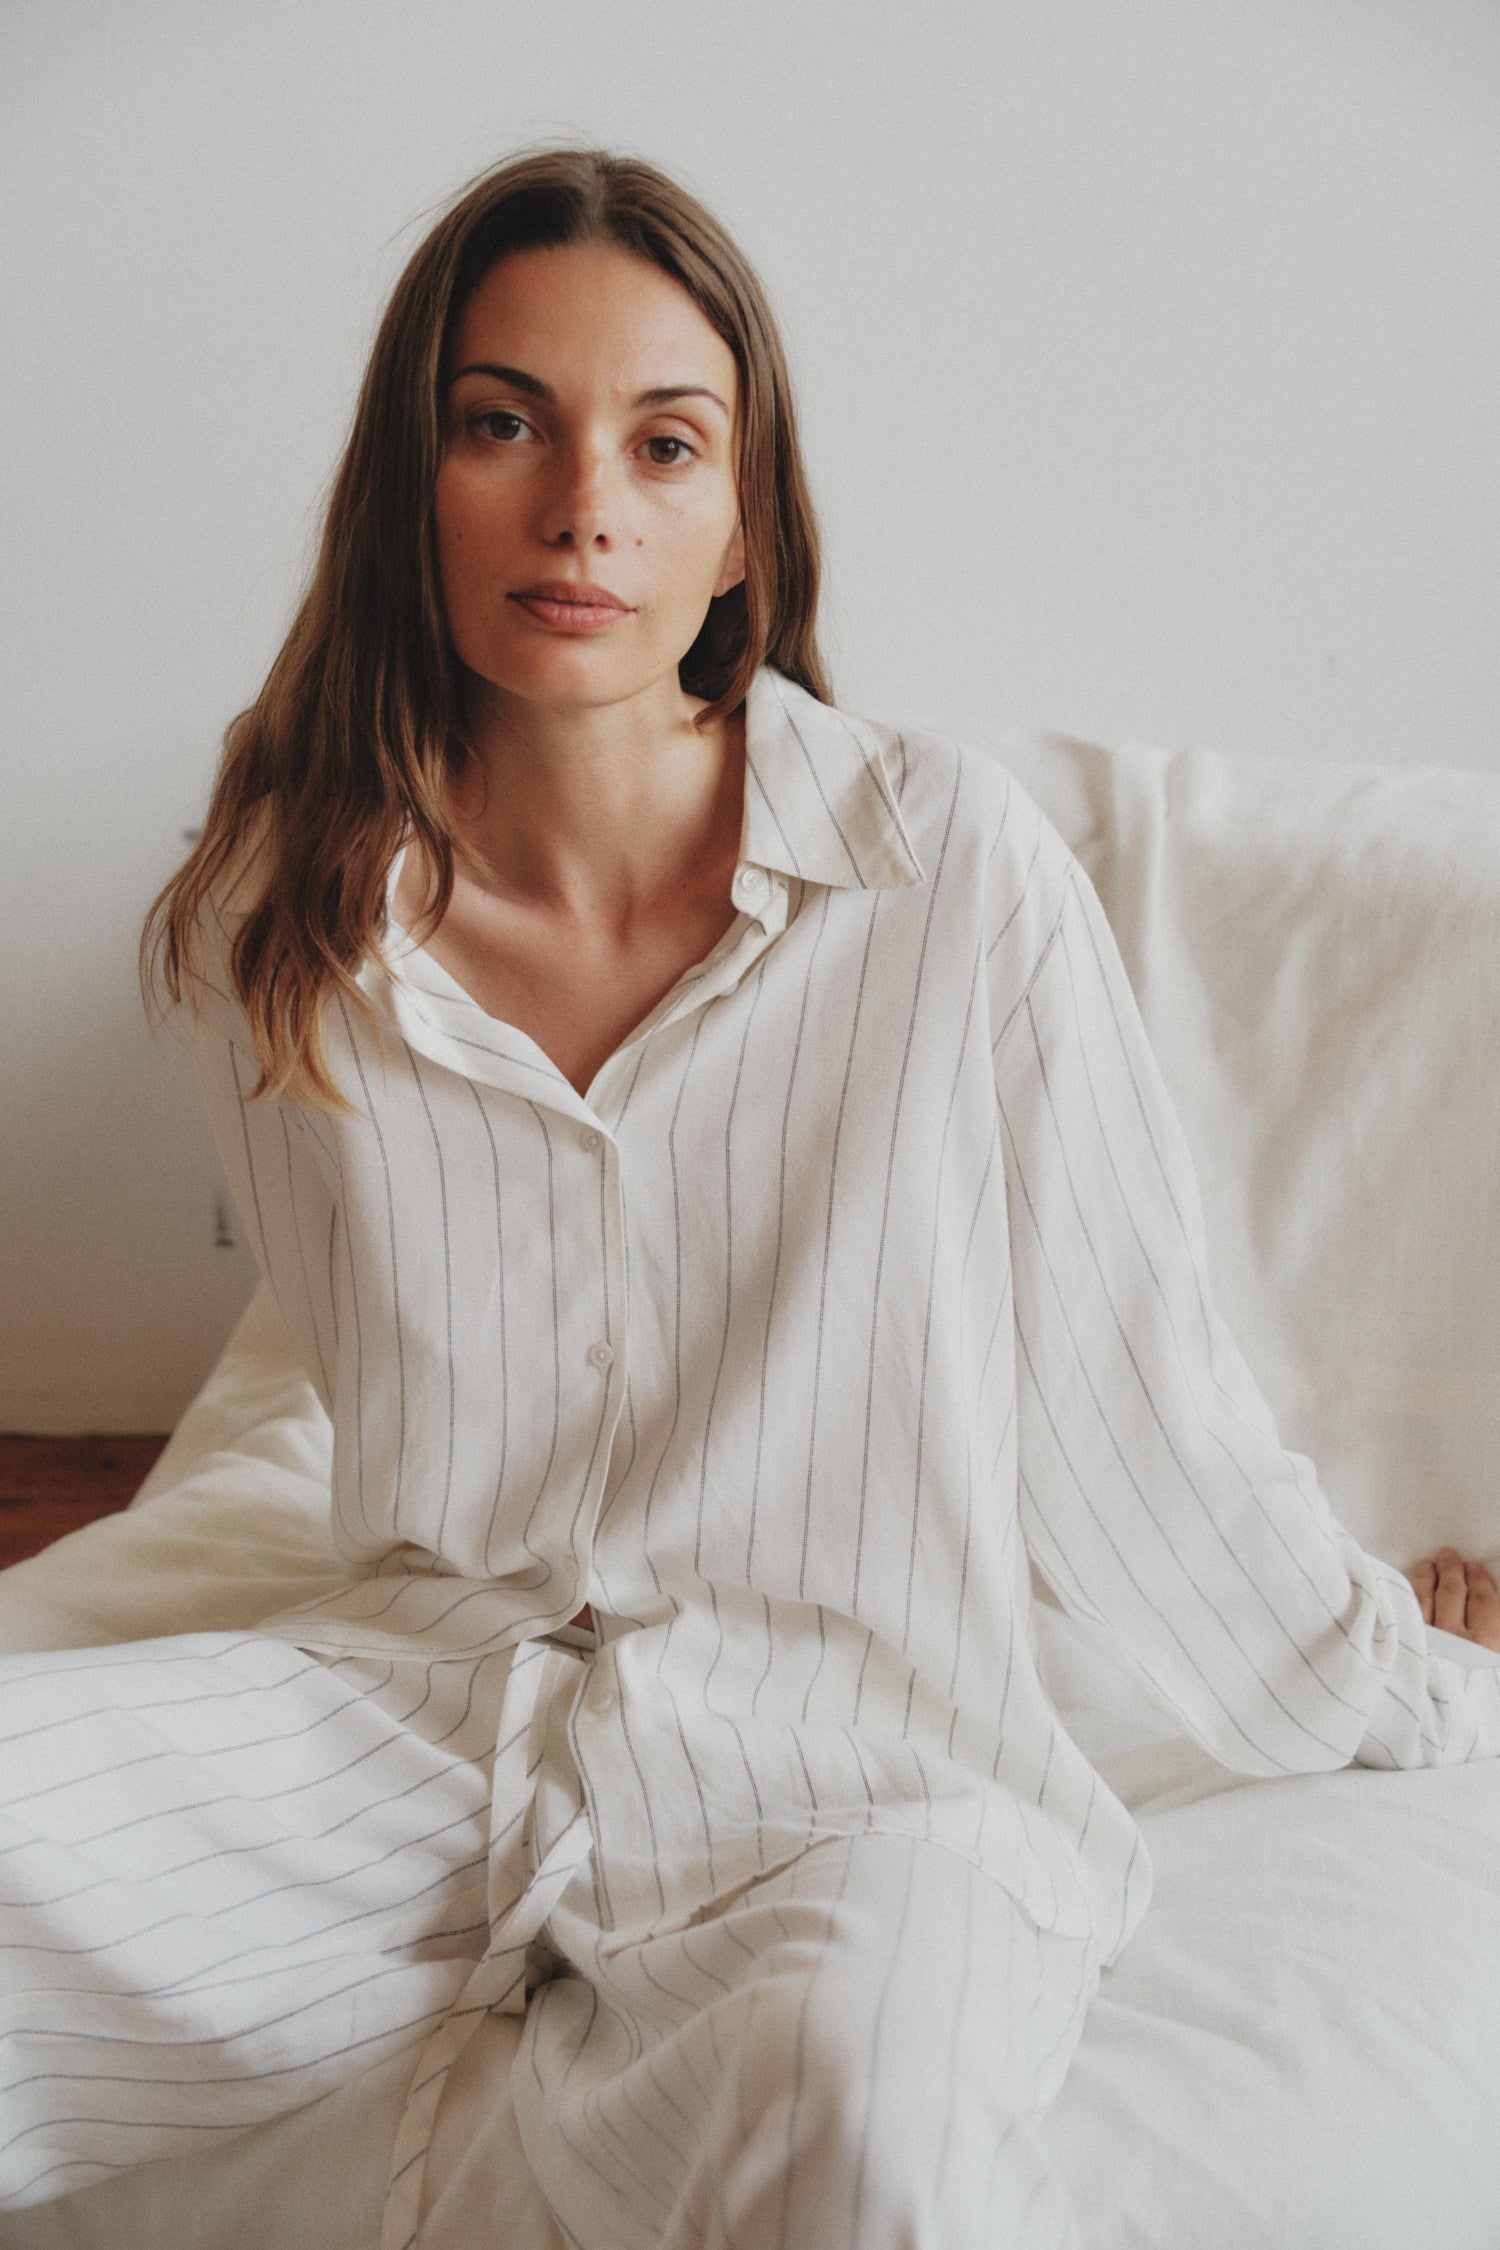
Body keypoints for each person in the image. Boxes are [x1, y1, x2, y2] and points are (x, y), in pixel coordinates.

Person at [1, 145, 1497, 2250]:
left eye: (663, 441)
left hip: (863, 1780)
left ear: (741, 522)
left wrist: (1406, 1678)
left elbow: (1132, 1412)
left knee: (868, 2139)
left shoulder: (946, 877)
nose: (582, 504)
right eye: (503, 421)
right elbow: (363, 1386)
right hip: (419, 1727)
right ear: (406, 486)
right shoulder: (293, 925)